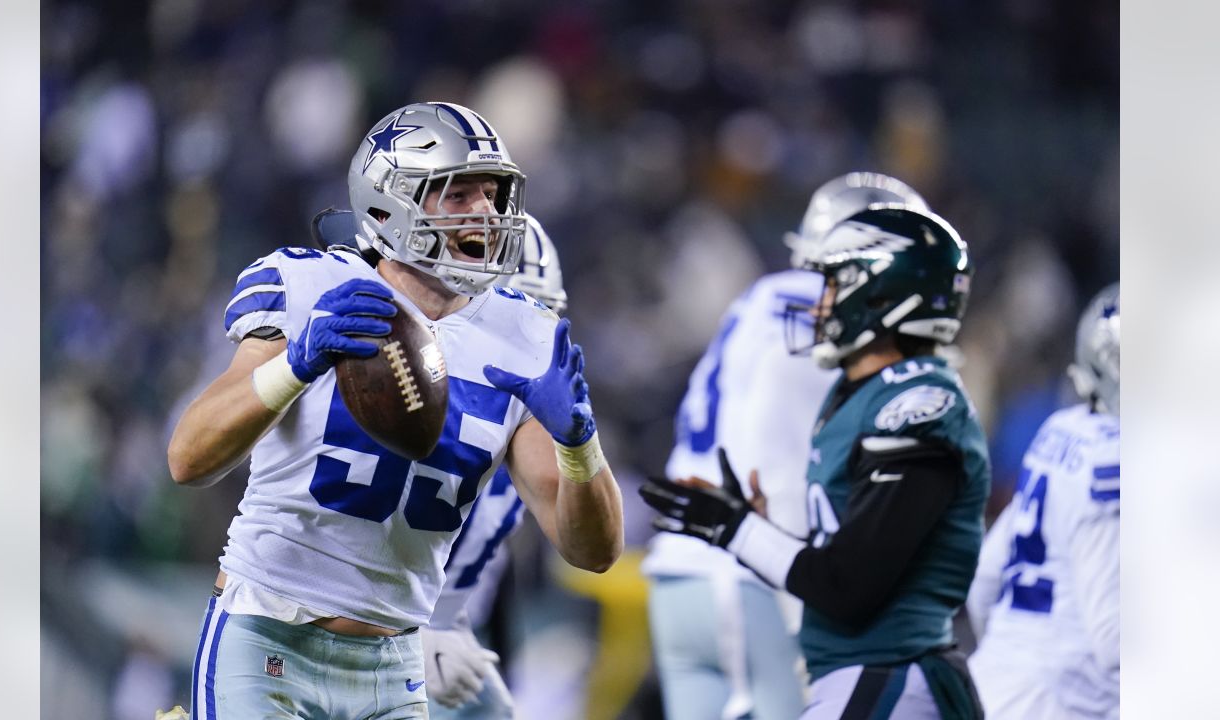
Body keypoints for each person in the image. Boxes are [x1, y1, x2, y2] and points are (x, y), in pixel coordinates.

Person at [166, 101, 623, 720]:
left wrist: (580, 444)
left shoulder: (526, 334)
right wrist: (297, 362)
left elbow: (593, 550)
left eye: (492, 194)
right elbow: (188, 458)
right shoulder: (309, 289)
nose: (485, 212)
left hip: (394, 665)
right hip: (268, 633)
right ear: (390, 203)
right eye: (459, 194)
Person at [641, 205, 989, 719]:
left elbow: (847, 586)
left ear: (881, 295)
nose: (820, 305)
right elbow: (839, 562)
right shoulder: (858, 396)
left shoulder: (919, 403)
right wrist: (752, 530)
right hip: (862, 673)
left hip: (890, 673)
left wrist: (737, 531)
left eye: (834, 285)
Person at [311, 208, 570, 718]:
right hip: (356, 641)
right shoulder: (397, 400)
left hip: (428, 642)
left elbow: (494, 573)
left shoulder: (517, 421)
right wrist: (421, 633)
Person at [965, 284, 1120, 719]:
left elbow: (985, 579)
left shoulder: (1063, 429)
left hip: (988, 687)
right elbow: (1114, 639)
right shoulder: (1120, 459)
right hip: (1061, 704)